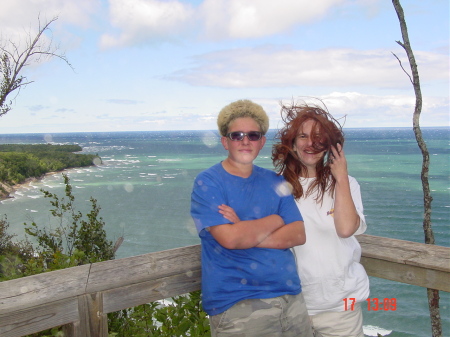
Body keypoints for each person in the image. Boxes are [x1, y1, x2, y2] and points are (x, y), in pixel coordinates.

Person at [191, 99, 313, 337]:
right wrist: (277, 220)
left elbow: (298, 234)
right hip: (238, 305)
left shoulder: (277, 182)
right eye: (237, 135)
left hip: (291, 299)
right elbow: (231, 239)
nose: (245, 141)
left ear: (262, 142)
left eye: (253, 135)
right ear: (225, 142)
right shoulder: (208, 182)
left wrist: (244, 229)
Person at [272, 102, 370, 337]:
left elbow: (346, 228)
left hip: (342, 309)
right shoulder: (275, 187)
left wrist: (341, 177)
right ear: (292, 142)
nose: (310, 144)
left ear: (329, 145)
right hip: (292, 307)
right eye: (303, 136)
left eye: (318, 137)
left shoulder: (347, 185)